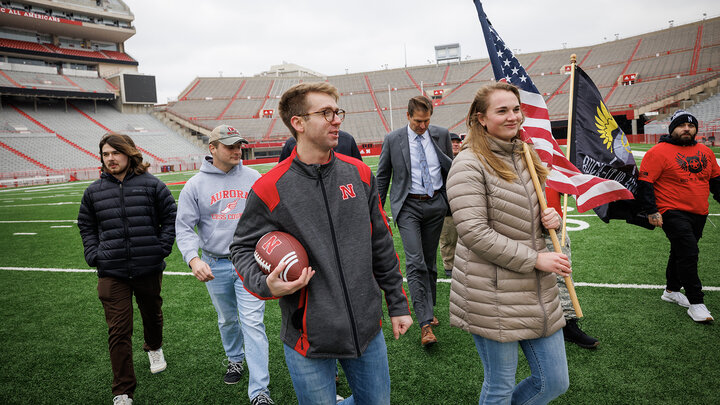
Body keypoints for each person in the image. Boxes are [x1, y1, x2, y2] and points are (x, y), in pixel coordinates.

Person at [229, 82, 413, 405]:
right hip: (307, 338)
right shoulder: (270, 187)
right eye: (325, 113)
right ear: (298, 123)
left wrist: (397, 303)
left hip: (367, 330)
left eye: (337, 111)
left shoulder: (360, 174)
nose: (337, 120)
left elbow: (381, 244)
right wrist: (266, 285)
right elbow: (241, 248)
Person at [447, 82, 570, 404]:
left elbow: (527, 218)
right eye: (502, 111)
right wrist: (535, 259)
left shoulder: (524, 154)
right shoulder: (468, 163)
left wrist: (548, 223)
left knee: (554, 382)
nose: (513, 117)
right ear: (480, 119)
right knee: (500, 386)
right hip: (490, 293)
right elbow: (473, 232)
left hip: (536, 289)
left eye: (516, 109)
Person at [175, 125, 273, 405]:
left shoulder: (254, 177)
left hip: (250, 263)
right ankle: (234, 359)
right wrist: (193, 259)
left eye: (239, 145)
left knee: (253, 323)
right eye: (230, 146)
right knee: (228, 320)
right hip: (214, 264)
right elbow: (183, 228)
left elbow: (270, 215)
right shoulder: (195, 185)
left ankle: (259, 392)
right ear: (212, 148)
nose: (236, 150)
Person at [77, 133, 176, 405]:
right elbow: (86, 226)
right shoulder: (94, 192)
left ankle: (154, 347)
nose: (110, 158)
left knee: (152, 314)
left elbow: (170, 217)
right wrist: (94, 254)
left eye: (115, 153)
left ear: (129, 153)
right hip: (111, 271)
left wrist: (160, 248)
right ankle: (123, 390)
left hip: (147, 266)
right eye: (105, 154)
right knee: (118, 330)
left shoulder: (152, 185)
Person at [376, 95, 453, 347]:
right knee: (415, 261)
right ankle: (424, 324)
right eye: (418, 121)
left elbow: (449, 171)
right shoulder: (393, 139)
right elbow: (382, 176)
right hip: (408, 206)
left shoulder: (441, 135)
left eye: (427, 120)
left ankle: (429, 308)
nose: (423, 126)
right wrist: (376, 209)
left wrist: (448, 203)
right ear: (408, 116)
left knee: (430, 262)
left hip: (435, 205)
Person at [638, 110, 720, 323]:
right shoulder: (658, 152)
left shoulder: (706, 152)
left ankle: (671, 290)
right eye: (681, 125)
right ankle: (696, 303)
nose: (686, 129)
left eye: (691, 126)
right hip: (671, 211)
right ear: (672, 128)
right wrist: (651, 211)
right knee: (689, 251)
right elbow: (645, 184)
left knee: (680, 251)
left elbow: (716, 182)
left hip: (699, 212)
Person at [546, 189, 600, 349]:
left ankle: (568, 323)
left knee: (562, 273)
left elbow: (568, 190)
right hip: (521, 226)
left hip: (553, 226)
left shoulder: (553, 166)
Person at [439, 132, 462, 278]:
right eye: (452, 142)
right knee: (448, 239)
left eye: (457, 142)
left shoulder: (467, 159)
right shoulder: (439, 161)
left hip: (466, 206)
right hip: (448, 208)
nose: (455, 144)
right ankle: (449, 266)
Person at [278, 130, 362, 162]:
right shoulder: (292, 144)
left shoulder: (347, 140)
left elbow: (361, 176)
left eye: (336, 113)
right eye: (325, 113)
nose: (337, 120)